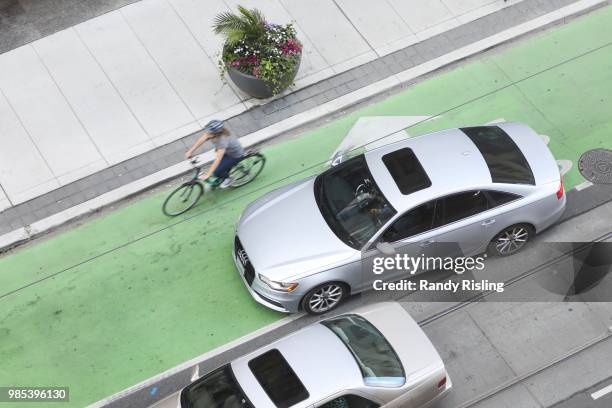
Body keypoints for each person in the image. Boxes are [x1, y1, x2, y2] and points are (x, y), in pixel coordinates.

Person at [185, 120, 244, 188]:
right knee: (220, 166)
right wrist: (190, 151)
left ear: (215, 133)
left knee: (217, 171)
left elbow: (217, 160)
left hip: (234, 155)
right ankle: (223, 173)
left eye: (209, 132)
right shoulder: (211, 133)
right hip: (226, 151)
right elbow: (202, 139)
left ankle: (228, 179)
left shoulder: (222, 141)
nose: (207, 133)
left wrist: (208, 175)